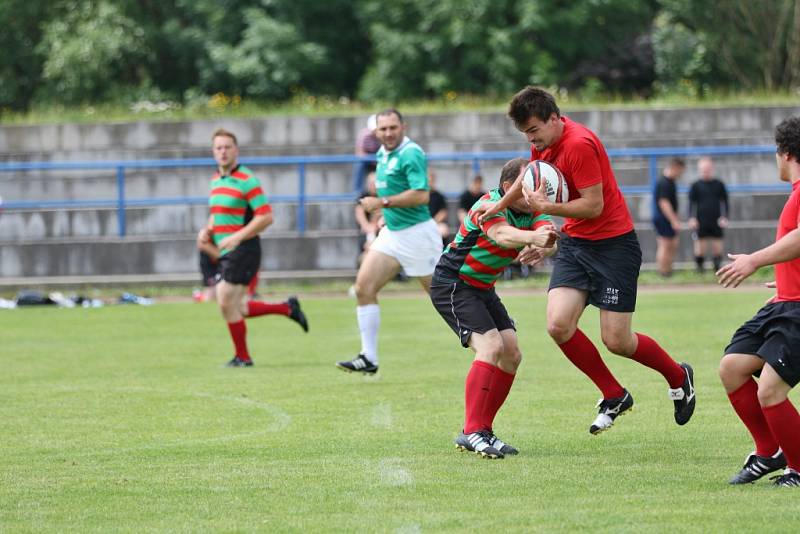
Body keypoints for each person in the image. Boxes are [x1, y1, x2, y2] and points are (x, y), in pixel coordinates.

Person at [478, 87, 696, 434]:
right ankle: (613, 393)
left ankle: (677, 375)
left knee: (617, 341)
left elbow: (593, 206)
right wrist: (499, 206)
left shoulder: (579, 145)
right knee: (558, 325)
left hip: (614, 247)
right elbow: (529, 175)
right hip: (577, 244)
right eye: (526, 134)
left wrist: (546, 209)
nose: (531, 139)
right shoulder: (541, 142)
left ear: (554, 118)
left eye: (534, 130)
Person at [431, 157, 557, 459]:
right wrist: (532, 238)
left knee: (511, 353)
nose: (535, 194)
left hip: (483, 287)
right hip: (454, 283)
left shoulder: (531, 210)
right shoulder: (487, 205)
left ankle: (483, 430)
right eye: (529, 187)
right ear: (508, 187)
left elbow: (550, 236)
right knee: (490, 346)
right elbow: (501, 234)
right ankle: (471, 431)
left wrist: (545, 245)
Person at [716, 116, 800, 487]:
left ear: (784, 153)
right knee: (732, 367)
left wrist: (754, 259)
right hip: (784, 301)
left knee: (770, 389)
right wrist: (781, 277)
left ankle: (797, 468)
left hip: (797, 309)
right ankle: (769, 452)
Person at [336, 109, 443, 375]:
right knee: (363, 288)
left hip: (418, 235)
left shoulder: (411, 153)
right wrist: (386, 214)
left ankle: (488, 340)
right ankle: (368, 357)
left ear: (403, 127)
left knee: (444, 298)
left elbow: (421, 195)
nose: (388, 133)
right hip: (393, 234)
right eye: (383, 129)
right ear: (376, 132)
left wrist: (383, 203)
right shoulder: (383, 154)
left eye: (393, 127)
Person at [201, 128, 309, 367]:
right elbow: (219, 213)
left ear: (236, 150)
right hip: (228, 249)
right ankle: (287, 308)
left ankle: (243, 357)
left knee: (224, 301)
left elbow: (265, 217)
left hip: (244, 249)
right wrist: (208, 229)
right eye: (218, 148)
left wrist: (237, 237)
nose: (223, 152)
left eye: (227, 147)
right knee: (240, 307)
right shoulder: (216, 180)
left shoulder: (247, 180)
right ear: (213, 152)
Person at [689, 156, 729, 272]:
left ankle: (717, 270)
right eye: (703, 169)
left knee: (717, 247)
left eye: (707, 168)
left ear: (712, 168)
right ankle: (700, 271)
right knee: (700, 247)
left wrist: (725, 217)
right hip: (701, 220)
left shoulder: (719, 184)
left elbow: (725, 202)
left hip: (716, 219)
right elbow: (691, 204)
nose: (705, 171)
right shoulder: (695, 185)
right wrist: (692, 218)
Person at [652, 158, 685, 277]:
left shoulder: (671, 182)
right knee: (665, 245)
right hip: (663, 218)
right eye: (680, 171)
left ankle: (668, 270)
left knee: (672, 244)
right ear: (675, 167)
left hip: (667, 218)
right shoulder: (664, 183)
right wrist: (673, 220)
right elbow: (664, 203)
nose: (681, 174)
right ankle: (663, 272)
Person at [354, 171, 380, 267]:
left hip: (380, 227)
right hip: (368, 228)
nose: (372, 186)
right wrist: (366, 226)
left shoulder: (383, 195)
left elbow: (380, 214)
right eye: (370, 183)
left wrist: (373, 228)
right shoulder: (364, 195)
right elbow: (359, 211)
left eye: (374, 183)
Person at [354, 114, 380, 191]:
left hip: (378, 160)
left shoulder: (383, 134)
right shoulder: (365, 135)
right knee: (360, 164)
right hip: (368, 161)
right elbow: (360, 153)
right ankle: (358, 191)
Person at [427, 169, 450, 243]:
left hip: (436, 223)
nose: (430, 182)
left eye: (432, 180)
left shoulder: (439, 196)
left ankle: (444, 253)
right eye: (428, 180)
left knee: (444, 230)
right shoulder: (420, 196)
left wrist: (432, 223)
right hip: (421, 223)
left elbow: (443, 212)